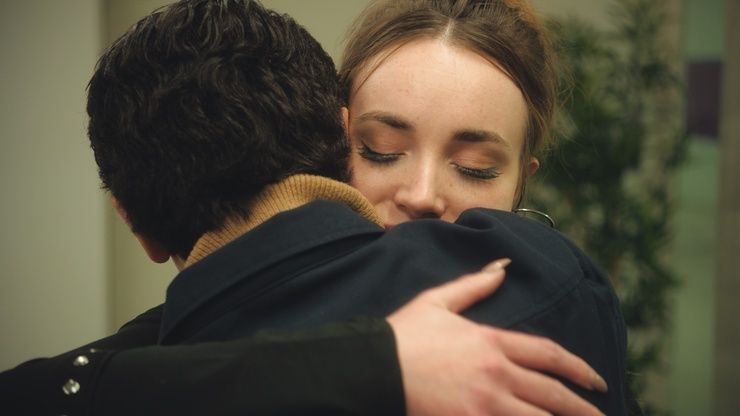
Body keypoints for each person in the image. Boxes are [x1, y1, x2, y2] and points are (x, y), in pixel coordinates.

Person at [0, 1, 628, 415]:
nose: (420, 195)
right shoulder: (185, 332)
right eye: (380, 151)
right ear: (332, 137)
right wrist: (365, 363)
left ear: (520, 185)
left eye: (475, 168)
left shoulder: (554, 291)